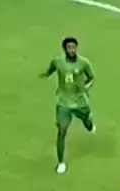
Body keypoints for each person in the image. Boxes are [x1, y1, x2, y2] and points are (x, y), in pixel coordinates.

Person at [40, 37, 95, 174]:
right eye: (69, 47)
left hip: (80, 101)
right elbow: (51, 69)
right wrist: (46, 74)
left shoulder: (83, 63)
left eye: (74, 47)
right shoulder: (58, 62)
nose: (72, 50)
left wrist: (87, 86)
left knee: (87, 122)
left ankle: (88, 122)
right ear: (64, 49)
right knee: (61, 131)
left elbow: (91, 77)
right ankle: (61, 162)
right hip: (63, 102)